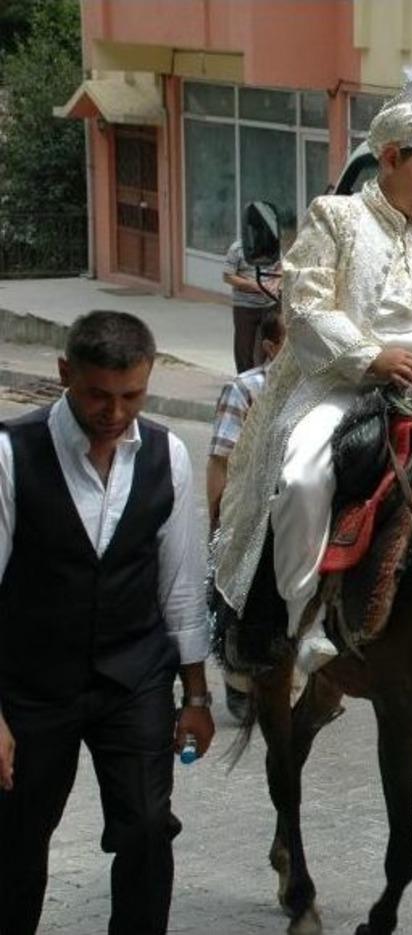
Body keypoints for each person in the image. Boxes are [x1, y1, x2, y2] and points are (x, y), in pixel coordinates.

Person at [213, 55, 412, 675]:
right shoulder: (337, 217)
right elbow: (308, 301)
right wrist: (372, 354)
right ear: (393, 157)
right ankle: (301, 620)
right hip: (345, 380)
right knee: (300, 477)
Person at [0, 310, 215, 935]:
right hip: (33, 684)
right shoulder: (12, 454)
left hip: (134, 677)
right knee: (16, 841)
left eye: (131, 396)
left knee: (148, 827)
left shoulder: (168, 454)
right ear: (66, 373)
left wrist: (196, 695)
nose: (115, 412)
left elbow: (179, 583)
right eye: (98, 394)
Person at [206, 307, 284, 720]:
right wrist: (219, 524)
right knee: (241, 593)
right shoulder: (245, 389)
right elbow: (221, 459)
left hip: (295, 506)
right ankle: (238, 680)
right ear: (271, 348)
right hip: (252, 505)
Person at [223, 236, 279, 373]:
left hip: (269, 305)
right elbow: (227, 276)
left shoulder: (274, 246)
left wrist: (274, 284)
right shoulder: (237, 248)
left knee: (267, 346)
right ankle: (244, 380)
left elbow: (282, 268)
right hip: (245, 306)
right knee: (244, 348)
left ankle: (263, 378)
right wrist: (254, 286)